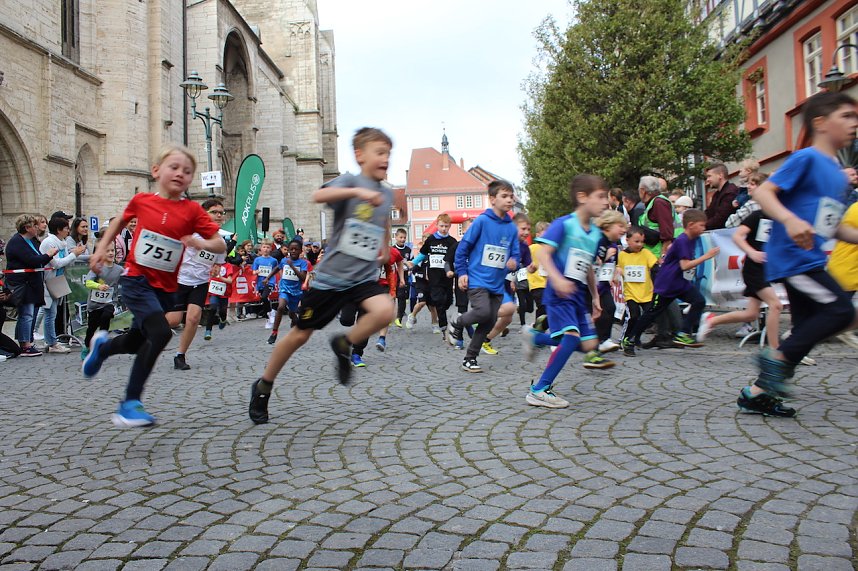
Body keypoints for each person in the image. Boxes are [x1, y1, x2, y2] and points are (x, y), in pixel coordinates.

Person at [247, 127, 395, 424]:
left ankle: (344, 342)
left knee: (385, 311)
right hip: (331, 280)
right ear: (360, 155)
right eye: (379, 153)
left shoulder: (387, 193)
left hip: (363, 278)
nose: (385, 159)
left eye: (388, 154)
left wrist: (383, 247)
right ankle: (263, 385)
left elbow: (382, 224)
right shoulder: (351, 182)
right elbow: (318, 194)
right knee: (300, 335)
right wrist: (356, 192)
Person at [82, 144, 225, 427]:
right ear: (156, 171)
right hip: (137, 281)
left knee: (137, 341)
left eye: (187, 171)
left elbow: (219, 243)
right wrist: (101, 247)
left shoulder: (193, 210)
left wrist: (200, 242)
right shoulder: (142, 201)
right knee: (160, 334)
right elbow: (119, 222)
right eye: (174, 167)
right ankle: (130, 403)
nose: (180, 174)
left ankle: (103, 348)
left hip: (165, 289)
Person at [735, 91, 858, 417]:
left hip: (812, 258)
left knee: (804, 332)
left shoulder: (836, 174)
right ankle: (775, 359)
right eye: (846, 116)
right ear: (820, 122)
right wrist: (789, 219)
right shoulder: (806, 158)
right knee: (841, 311)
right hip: (794, 259)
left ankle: (756, 393)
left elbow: (831, 227)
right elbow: (763, 192)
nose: (854, 123)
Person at [520, 175, 611, 408]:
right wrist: (558, 279)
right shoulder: (564, 224)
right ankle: (539, 389)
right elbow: (543, 254)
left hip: (579, 297)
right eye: (600, 197)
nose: (606, 202)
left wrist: (595, 296)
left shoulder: (595, 234)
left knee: (589, 346)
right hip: (559, 295)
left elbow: (588, 267)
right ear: (582, 197)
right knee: (570, 339)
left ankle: (536, 337)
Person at [622, 209, 719, 352]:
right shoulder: (683, 240)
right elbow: (685, 265)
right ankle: (630, 339)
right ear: (691, 225)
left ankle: (683, 333)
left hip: (678, 282)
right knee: (651, 313)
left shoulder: (692, 238)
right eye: (701, 225)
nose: (703, 229)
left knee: (699, 301)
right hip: (667, 284)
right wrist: (706, 256)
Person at [447, 180, 519, 372]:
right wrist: (462, 272)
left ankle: (469, 359)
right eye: (504, 196)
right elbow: (463, 248)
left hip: (497, 284)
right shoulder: (481, 221)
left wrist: (514, 262)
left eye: (511, 196)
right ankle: (456, 321)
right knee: (483, 312)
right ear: (492, 199)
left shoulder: (512, 228)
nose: (509, 199)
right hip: (477, 279)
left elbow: (516, 254)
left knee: (488, 322)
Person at [696, 190, 783, 347]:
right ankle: (776, 350)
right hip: (754, 269)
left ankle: (711, 320)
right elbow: (737, 236)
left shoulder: (782, 219)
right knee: (776, 305)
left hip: (766, 269)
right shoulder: (758, 215)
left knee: (751, 314)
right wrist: (752, 252)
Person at [165, 198, 228, 370]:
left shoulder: (221, 242)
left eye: (221, 213)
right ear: (204, 214)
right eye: (214, 212)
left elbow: (219, 261)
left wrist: (216, 267)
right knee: (173, 320)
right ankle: (146, 328)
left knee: (193, 318)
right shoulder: (190, 231)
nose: (218, 215)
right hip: (180, 280)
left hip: (199, 283)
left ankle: (180, 356)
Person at [5, 214, 59, 356]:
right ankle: (25, 344)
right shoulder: (17, 242)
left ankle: (26, 341)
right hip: (22, 283)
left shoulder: (31, 241)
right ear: (27, 227)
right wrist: (49, 254)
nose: (37, 228)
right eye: (34, 226)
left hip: (31, 283)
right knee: (26, 314)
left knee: (30, 313)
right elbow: (32, 260)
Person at [479, 212, 532, 355]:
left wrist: (532, 267)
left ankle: (485, 340)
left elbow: (528, 265)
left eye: (528, 229)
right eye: (523, 229)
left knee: (508, 318)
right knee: (509, 308)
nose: (526, 232)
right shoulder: (503, 240)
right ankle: (477, 317)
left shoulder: (524, 247)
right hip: (493, 282)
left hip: (507, 284)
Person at [38, 216, 86, 353]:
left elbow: (65, 262)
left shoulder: (62, 242)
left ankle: (52, 341)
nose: (68, 231)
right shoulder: (49, 243)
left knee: (52, 313)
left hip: (57, 280)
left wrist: (74, 254)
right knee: (49, 313)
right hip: (49, 280)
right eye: (66, 228)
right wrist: (74, 255)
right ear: (59, 230)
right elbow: (56, 263)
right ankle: (51, 343)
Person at [616, 227, 659, 356]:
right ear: (628, 240)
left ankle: (636, 337)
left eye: (642, 241)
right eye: (636, 241)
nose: (640, 244)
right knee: (633, 316)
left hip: (646, 293)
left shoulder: (646, 253)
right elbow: (618, 266)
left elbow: (655, 266)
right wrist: (618, 271)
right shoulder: (622, 255)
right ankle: (625, 339)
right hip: (631, 294)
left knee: (647, 318)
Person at [416, 213, 458, 337]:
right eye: (441, 226)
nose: (444, 228)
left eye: (446, 226)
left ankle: (444, 315)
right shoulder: (431, 240)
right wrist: (413, 263)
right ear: (436, 225)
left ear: (450, 226)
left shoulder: (452, 242)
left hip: (447, 276)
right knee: (438, 300)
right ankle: (443, 326)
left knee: (447, 301)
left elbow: (455, 258)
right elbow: (423, 254)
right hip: (434, 276)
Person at [593, 210, 627, 354]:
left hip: (604, 285)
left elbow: (613, 264)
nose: (624, 230)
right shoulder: (598, 240)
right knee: (595, 314)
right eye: (620, 226)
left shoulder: (612, 244)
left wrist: (615, 272)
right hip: (592, 286)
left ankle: (604, 340)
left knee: (611, 309)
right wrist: (605, 257)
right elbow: (593, 264)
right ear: (608, 226)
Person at [82, 242, 122, 359]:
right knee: (92, 327)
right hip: (94, 304)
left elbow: (127, 280)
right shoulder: (97, 267)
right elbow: (88, 282)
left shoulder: (119, 269)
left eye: (112, 251)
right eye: (107, 251)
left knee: (106, 316)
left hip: (109, 302)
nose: (110, 253)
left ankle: (101, 345)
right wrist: (98, 286)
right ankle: (87, 347)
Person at [828, 201, 858, 348]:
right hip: (847, 266)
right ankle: (793, 338)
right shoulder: (856, 208)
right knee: (831, 313)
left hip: (851, 266)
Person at [267, 239, 309, 344]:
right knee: (280, 307)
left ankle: (295, 319)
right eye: (291, 249)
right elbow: (277, 268)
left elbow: (302, 277)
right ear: (288, 250)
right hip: (284, 289)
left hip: (296, 292)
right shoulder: (284, 260)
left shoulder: (303, 263)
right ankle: (274, 332)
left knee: (292, 313)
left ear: (300, 251)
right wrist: (267, 277)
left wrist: (292, 267)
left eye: (296, 249)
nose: (293, 251)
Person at [527, 221, 550, 327]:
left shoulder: (550, 249)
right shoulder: (533, 248)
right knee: (543, 307)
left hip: (548, 285)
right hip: (537, 284)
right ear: (537, 235)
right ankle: (536, 328)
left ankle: (536, 328)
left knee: (547, 309)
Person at [704, 163, 739, 230]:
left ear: (720, 175)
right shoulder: (717, 194)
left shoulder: (730, 193)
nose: (707, 180)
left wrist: (701, 227)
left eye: (709, 176)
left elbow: (721, 219)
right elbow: (708, 213)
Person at [392, 228, 412, 327]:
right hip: (393, 275)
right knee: (392, 297)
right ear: (396, 237)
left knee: (402, 297)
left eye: (404, 238)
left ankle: (398, 318)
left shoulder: (408, 250)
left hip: (404, 275)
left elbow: (411, 262)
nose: (402, 239)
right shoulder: (392, 249)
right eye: (400, 237)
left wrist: (409, 268)